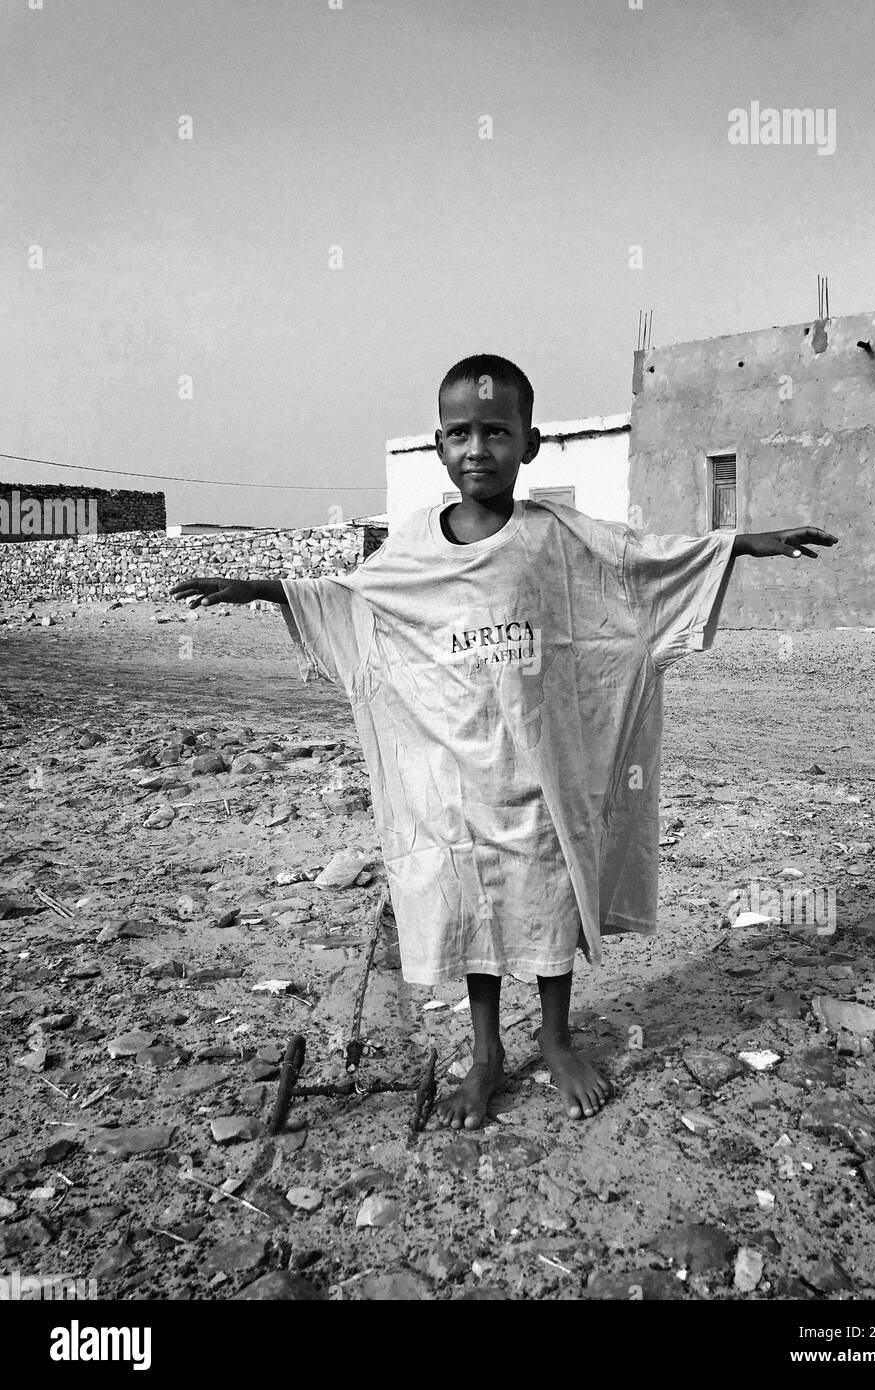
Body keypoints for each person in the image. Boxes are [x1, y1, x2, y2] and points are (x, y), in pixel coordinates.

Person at [171, 354, 837, 1131]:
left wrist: (744, 543)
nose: (477, 448)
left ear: (530, 442)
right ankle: (485, 1054)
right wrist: (264, 590)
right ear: (438, 443)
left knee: (550, 901)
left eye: (496, 431)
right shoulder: (414, 542)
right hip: (456, 774)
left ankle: (555, 1040)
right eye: (460, 433)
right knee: (474, 912)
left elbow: (640, 566)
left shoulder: (557, 537)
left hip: (545, 768)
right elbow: (355, 604)